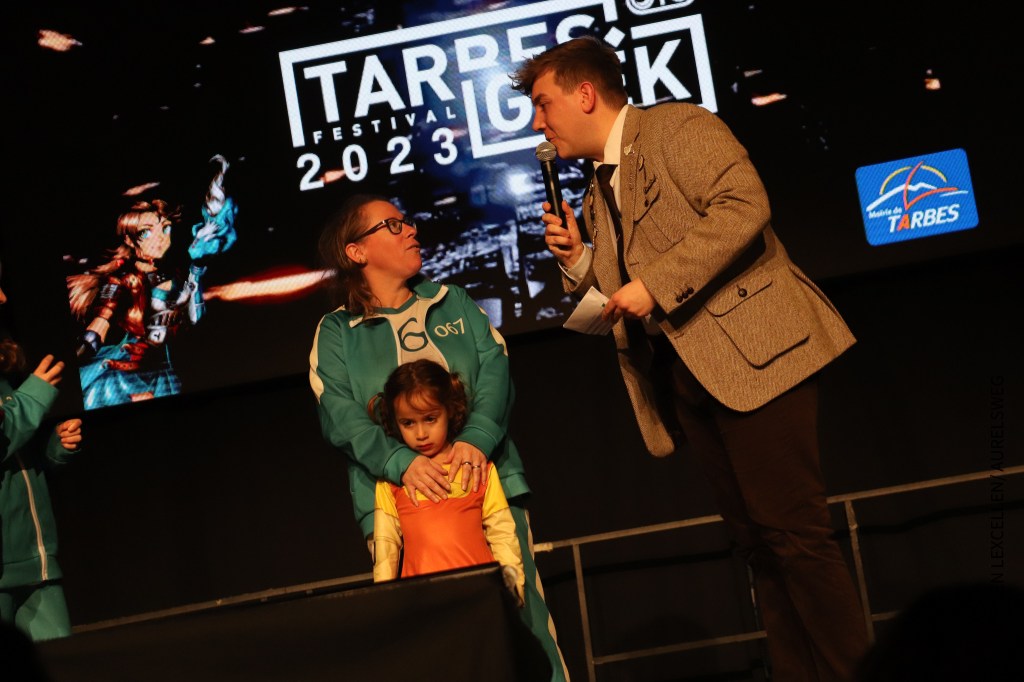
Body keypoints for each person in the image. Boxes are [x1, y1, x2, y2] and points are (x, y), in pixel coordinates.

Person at [511, 36, 869, 681]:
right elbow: (622, 288)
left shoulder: (675, 127)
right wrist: (580, 259)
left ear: (585, 94)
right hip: (689, 377)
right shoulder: (597, 190)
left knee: (796, 537)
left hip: (757, 357)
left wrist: (653, 285)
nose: (539, 122)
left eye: (544, 103)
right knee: (759, 547)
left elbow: (744, 205)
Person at [309, 194, 568, 681]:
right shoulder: (337, 333)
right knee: (436, 647)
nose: (411, 230)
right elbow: (340, 417)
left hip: (485, 487)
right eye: (392, 225)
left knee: (523, 626)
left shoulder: (454, 302)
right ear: (356, 251)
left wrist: (477, 438)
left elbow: (495, 371)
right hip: (399, 509)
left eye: (407, 221)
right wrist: (401, 463)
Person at [66, 154, 237, 410]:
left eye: (165, 228)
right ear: (130, 239)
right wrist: (78, 353)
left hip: (161, 371)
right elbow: (100, 324)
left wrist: (196, 272)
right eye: (146, 232)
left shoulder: (175, 276)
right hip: (122, 369)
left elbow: (194, 318)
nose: (160, 238)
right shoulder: (124, 280)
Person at [369, 359, 526, 606]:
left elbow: (502, 534)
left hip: (481, 598)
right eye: (408, 423)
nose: (421, 434)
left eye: (430, 418)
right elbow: (386, 550)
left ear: (449, 410)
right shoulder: (391, 484)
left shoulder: (477, 468)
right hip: (423, 604)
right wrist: (385, 602)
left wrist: (514, 590)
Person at [1, 265, 84, 643]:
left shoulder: (4, 379)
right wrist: (32, 398)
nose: (3, 298)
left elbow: (13, 456)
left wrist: (54, 448)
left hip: (36, 562)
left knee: (62, 665)